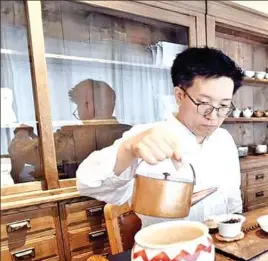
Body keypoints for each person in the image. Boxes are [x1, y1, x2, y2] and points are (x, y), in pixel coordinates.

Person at [76, 47, 245, 228]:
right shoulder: (147, 138)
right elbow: (88, 183)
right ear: (179, 96)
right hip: (167, 250)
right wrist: (128, 150)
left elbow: (233, 200)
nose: (213, 116)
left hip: (219, 246)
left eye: (224, 106)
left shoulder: (224, 139)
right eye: (204, 104)